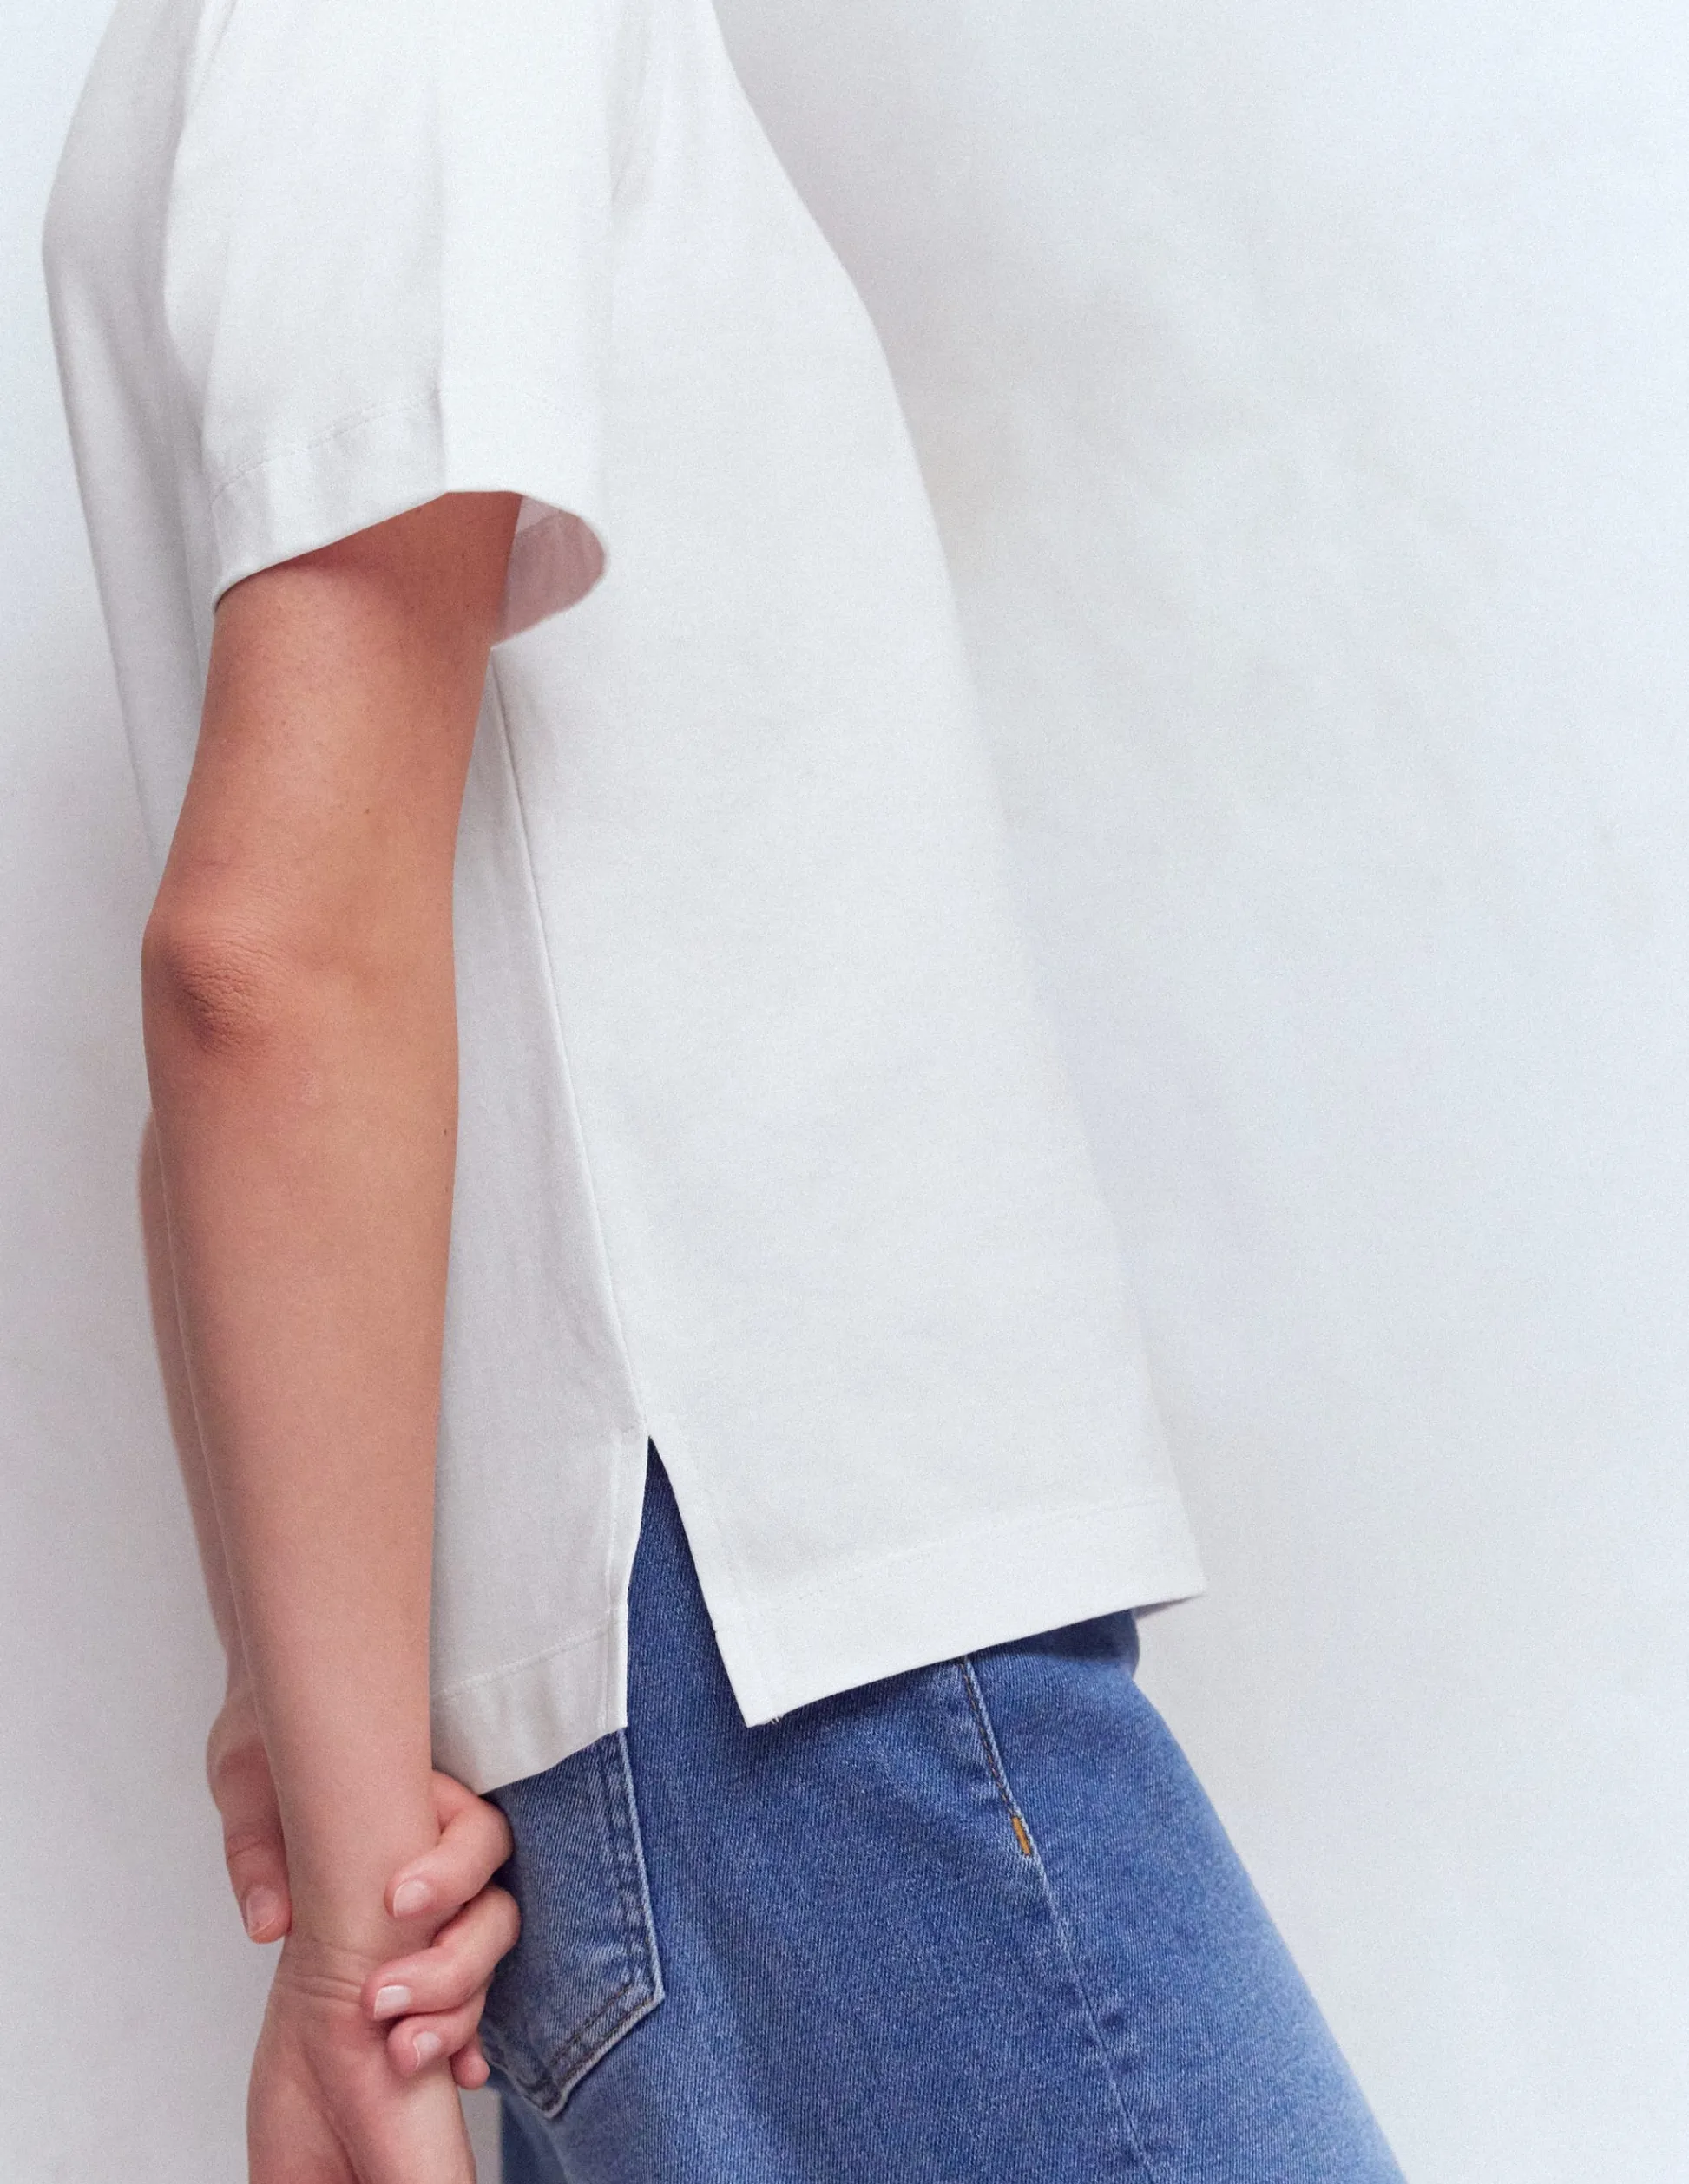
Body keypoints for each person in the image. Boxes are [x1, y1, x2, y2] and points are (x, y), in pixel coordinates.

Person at [45, 0, 1404, 2177]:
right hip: (783, 1653)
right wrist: (349, 1911)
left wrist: (310, 1731)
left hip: (718, 1674)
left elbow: (249, 1006)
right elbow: (267, 959)